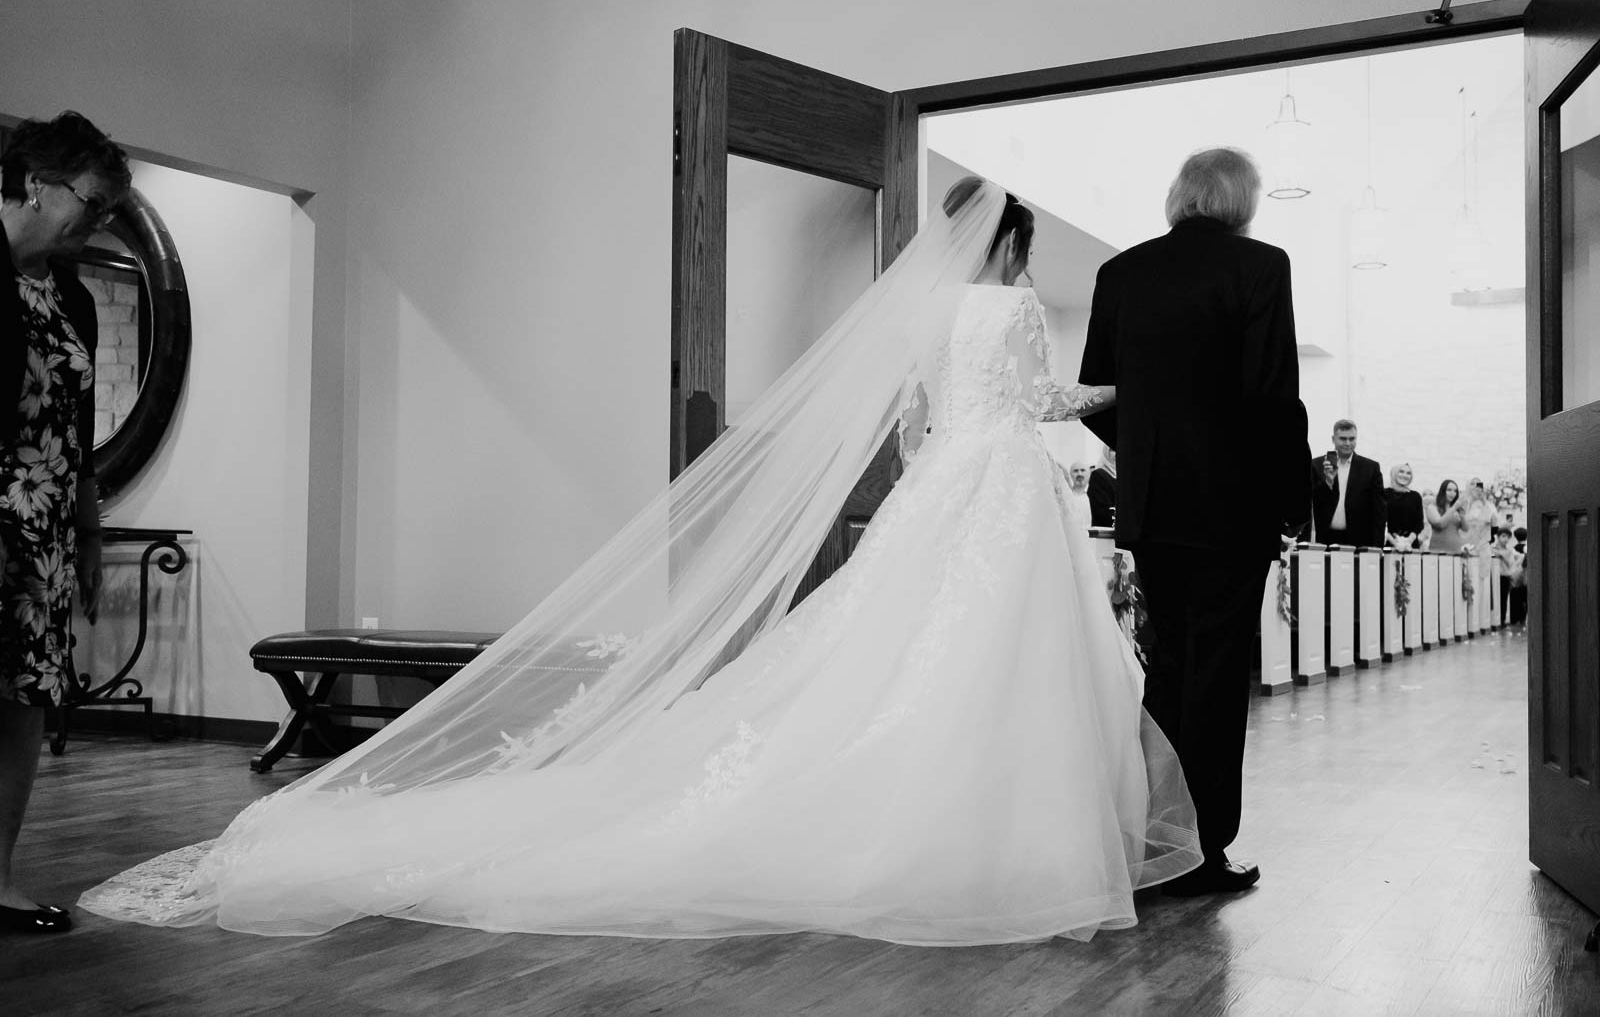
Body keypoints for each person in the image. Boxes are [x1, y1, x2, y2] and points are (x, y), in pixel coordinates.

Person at [82, 178, 1202, 944]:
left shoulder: (916, 313)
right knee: (995, 668)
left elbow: (915, 428)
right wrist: (1113, 391)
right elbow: (1033, 399)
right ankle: (1000, 838)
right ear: (1010, 244)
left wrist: (936, 468)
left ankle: (960, 825)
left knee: (904, 658)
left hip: (946, 485)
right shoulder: (1007, 305)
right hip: (1001, 487)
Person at [1077, 147, 1308, 897]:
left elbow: (1100, 398)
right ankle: (1202, 850)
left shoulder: (1122, 273)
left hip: (1153, 508)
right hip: (1232, 509)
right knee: (1215, 679)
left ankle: (1152, 837)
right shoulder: (1261, 267)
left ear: (1181, 196)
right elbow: (1274, 396)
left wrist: (1148, 458)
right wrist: (1289, 501)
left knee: (1167, 670)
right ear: (1241, 200)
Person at [1, 112, 128, 934]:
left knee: (22, 701)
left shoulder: (70, 293)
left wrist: (87, 533)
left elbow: (76, 432)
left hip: (41, 529)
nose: (97, 221)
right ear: (37, 182)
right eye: (92, 201)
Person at [1309, 420, 1385, 548]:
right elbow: (1312, 501)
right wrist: (1328, 482)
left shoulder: (1370, 468)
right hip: (1325, 538)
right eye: (1343, 439)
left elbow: (1380, 511)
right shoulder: (1317, 465)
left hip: (1360, 540)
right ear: (1333, 439)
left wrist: (1377, 547)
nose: (1348, 443)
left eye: (1352, 439)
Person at [1382, 463, 1424, 550]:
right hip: (1388, 543)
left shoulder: (1416, 496)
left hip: (1410, 545)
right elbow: (1380, 521)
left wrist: (1408, 541)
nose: (1405, 475)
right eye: (1401, 472)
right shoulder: (1384, 493)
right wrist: (1395, 543)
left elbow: (1419, 524)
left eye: (1408, 473)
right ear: (1394, 473)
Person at [1427, 479, 1468, 553]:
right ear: (1442, 491)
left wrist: (1462, 514)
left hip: (1456, 550)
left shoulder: (1456, 509)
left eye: (1455, 491)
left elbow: (1466, 528)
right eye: (1449, 490)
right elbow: (1440, 524)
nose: (1452, 493)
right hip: (1437, 550)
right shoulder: (1432, 507)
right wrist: (1454, 507)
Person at [1490, 526, 1519, 628]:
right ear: (1498, 537)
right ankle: (1493, 620)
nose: (1505, 539)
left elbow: (1510, 564)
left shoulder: (1509, 550)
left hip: (1505, 577)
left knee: (1503, 599)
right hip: (1494, 577)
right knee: (1494, 599)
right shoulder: (1492, 549)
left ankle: (1501, 620)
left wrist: (1502, 555)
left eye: (1507, 537)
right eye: (1503, 536)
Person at [1087, 447, 1117, 527]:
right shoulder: (1098, 475)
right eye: (1113, 450)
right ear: (1105, 452)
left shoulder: (1124, 476)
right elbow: (1102, 511)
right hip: (1106, 532)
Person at [1064, 459, 1093, 524]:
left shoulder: (1095, 495)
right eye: (1075, 471)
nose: (1079, 474)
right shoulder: (1066, 496)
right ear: (1071, 474)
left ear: (1089, 474)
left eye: (1083, 470)